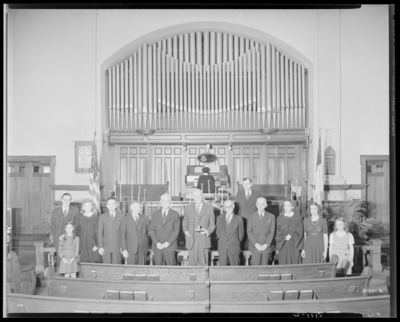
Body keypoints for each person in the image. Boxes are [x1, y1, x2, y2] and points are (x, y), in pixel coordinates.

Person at [182, 189, 216, 266]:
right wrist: (185, 230)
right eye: (195, 196)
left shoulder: (209, 208)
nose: (197, 197)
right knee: (192, 266)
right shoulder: (188, 208)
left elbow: (212, 224)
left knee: (204, 267)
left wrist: (207, 231)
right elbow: (185, 221)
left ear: (202, 196)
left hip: (204, 240)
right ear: (193, 197)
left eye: (199, 196)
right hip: (191, 240)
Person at [149, 194, 180, 266]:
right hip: (158, 247)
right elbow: (152, 230)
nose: (166, 203)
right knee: (157, 270)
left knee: (171, 270)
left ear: (170, 202)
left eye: (167, 201)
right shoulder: (154, 214)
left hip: (170, 247)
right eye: (164, 201)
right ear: (160, 202)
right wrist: (157, 243)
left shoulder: (175, 214)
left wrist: (168, 243)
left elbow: (176, 231)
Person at [51, 193, 79, 267]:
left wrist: (69, 235)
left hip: (70, 238)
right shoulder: (55, 212)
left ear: (70, 200)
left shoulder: (75, 211)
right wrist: (57, 236)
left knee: (70, 256)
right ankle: (60, 274)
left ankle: (70, 275)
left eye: (68, 200)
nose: (67, 201)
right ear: (61, 200)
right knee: (60, 257)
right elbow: (53, 226)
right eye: (65, 199)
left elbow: (77, 225)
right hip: (59, 238)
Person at [234, 178, 262, 251]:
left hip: (254, 220)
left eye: (247, 184)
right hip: (241, 219)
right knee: (242, 236)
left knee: (252, 237)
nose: (246, 186)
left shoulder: (257, 193)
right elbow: (235, 208)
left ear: (251, 184)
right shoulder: (239, 194)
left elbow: (260, 207)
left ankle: (252, 255)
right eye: (244, 184)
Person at [247, 197, 276, 265]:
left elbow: (272, 232)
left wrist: (265, 245)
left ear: (266, 205)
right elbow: (249, 232)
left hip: (266, 247)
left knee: (265, 271)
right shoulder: (251, 216)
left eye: (262, 204)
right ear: (256, 204)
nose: (260, 206)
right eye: (258, 204)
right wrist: (257, 245)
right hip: (255, 247)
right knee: (255, 270)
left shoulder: (271, 217)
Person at [216, 199, 244, 266]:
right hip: (222, 247)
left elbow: (241, 234)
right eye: (226, 207)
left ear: (233, 206)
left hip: (234, 247)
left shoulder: (239, 219)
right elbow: (218, 232)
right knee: (222, 270)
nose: (228, 209)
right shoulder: (219, 218)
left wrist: (234, 241)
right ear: (224, 208)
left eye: (230, 206)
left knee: (235, 270)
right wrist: (224, 240)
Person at [275, 199, 304, 265]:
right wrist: (283, 237)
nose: (286, 207)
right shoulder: (279, 218)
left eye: (288, 206)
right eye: (285, 206)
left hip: (294, 243)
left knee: (294, 262)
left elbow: (300, 231)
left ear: (292, 207)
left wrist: (291, 235)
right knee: (283, 262)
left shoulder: (298, 218)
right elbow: (278, 232)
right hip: (283, 244)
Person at [98, 197, 124, 264]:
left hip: (117, 245)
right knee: (106, 267)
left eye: (113, 204)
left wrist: (123, 247)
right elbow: (99, 233)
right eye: (109, 204)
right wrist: (100, 247)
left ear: (116, 205)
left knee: (116, 266)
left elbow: (123, 233)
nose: (111, 206)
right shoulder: (102, 217)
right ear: (106, 206)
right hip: (106, 245)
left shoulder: (122, 216)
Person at [75, 199, 101, 263]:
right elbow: (76, 230)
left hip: (93, 244)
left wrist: (97, 244)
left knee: (94, 262)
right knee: (84, 263)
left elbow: (99, 232)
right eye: (85, 206)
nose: (87, 208)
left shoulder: (96, 218)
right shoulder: (80, 217)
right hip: (83, 244)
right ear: (83, 207)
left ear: (92, 206)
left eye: (89, 206)